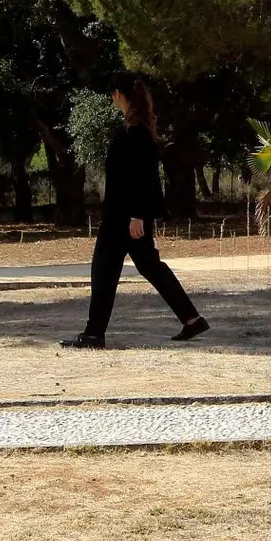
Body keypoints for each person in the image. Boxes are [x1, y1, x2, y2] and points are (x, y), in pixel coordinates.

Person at [62, 72, 209, 349]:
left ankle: (94, 334)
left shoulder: (135, 132)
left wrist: (138, 215)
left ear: (118, 94)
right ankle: (191, 319)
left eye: (112, 95)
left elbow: (144, 177)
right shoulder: (137, 128)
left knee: (104, 271)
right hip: (126, 215)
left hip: (124, 218)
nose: (111, 100)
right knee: (149, 266)